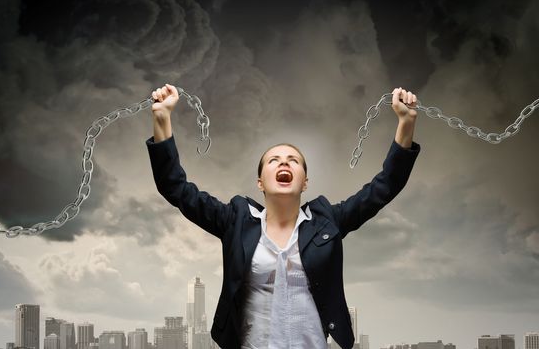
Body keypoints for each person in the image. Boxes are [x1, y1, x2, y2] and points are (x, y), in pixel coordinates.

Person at [146, 84, 420, 349]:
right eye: (274, 160)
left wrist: (405, 123)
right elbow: (176, 188)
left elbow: (384, 187)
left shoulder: (327, 222)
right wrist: (162, 119)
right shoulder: (236, 220)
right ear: (260, 183)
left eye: (293, 160)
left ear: (304, 183)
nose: (284, 162)